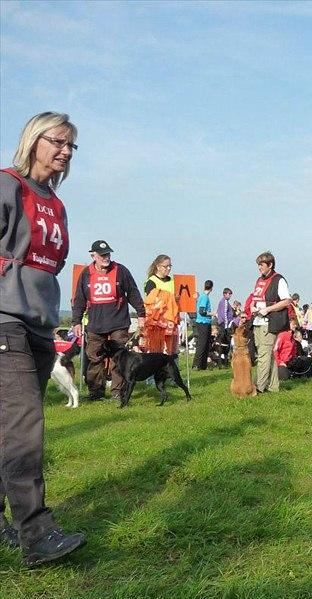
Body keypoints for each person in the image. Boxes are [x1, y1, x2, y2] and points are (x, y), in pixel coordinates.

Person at [0, 111, 86, 565]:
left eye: (72, 146)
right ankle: (35, 533)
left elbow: (51, 264)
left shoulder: (55, 201)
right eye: (58, 141)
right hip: (5, 322)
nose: (65, 151)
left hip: (38, 324)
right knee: (23, 428)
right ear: (34, 140)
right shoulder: (6, 185)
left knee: (8, 429)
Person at [72, 240, 146, 399]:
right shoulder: (85, 274)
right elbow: (79, 300)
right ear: (93, 255)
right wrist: (76, 321)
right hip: (95, 324)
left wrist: (141, 314)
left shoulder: (121, 271)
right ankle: (95, 392)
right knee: (94, 358)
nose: (106, 257)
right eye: (102, 254)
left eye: (108, 254)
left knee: (118, 360)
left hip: (118, 322)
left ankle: (118, 392)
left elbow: (133, 293)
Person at [249, 251, 291, 393]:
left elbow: (286, 301)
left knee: (263, 355)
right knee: (268, 355)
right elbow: (255, 298)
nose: (259, 268)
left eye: (261, 265)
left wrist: (268, 309)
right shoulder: (259, 280)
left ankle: (259, 388)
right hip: (258, 321)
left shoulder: (279, 280)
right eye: (258, 265)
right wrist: (252, 306)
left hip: (269, 321)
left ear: (270, 265)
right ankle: (273, 387)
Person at [143, 254, 179, 354]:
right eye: (165, 266)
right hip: (157, 322)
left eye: (170, 266)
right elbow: (152, 301)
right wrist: (170, 297)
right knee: (157, 350)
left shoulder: (173, 281)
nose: (168, 269)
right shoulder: (151, 281)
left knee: (171, 350)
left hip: (172, 320)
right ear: (158, 267)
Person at [193, 280, 213, 370]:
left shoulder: (202, 296)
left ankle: (202, 366)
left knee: (205, 344)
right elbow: (202, 311)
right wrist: (212, 314)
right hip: (203, 323)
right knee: (202, 344)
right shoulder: (205, 297)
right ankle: (197, 365)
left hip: (203, 323)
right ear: (212, 288)